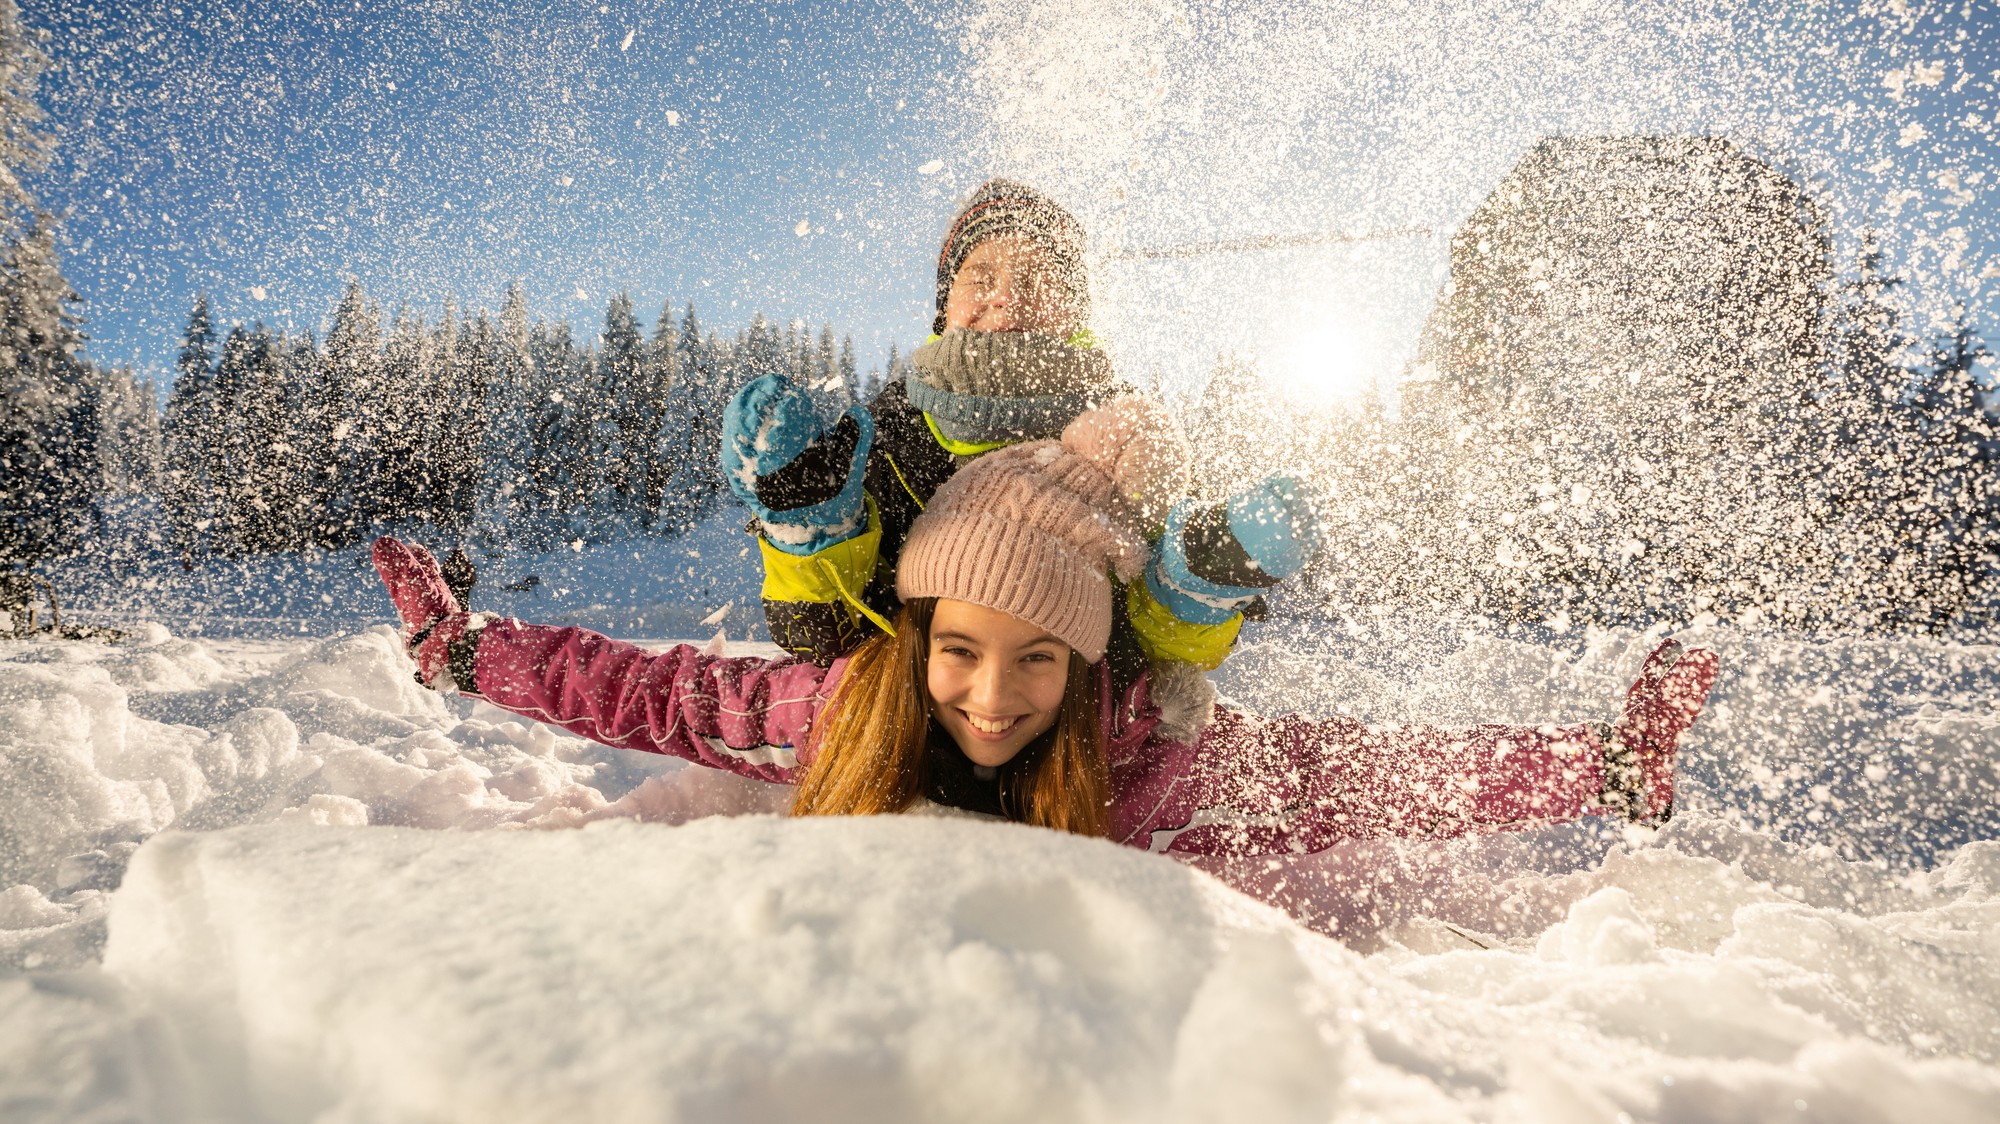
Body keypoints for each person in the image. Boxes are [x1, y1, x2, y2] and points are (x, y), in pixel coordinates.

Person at [374, 399, 1718, 855]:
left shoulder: (1152, 756)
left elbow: (1363, 782)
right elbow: (648, 694)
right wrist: (466, 652)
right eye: (959, 648)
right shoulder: (846, 708)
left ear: (1090, 664)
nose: (991, 696)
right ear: (914, 639)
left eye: (1037, 661)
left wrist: (1598, 766)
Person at [723, 178, 1318, 691]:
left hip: (1073, 753)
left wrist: (1196, 592)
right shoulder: (884, 438)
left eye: (1038, 278)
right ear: (945, 305)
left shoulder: (1130, 441)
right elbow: (821, 643)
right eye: (980, 275)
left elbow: (1159, 667)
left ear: (1074, 312)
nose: (1005, 298)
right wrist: (808, 534)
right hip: (899, 735)